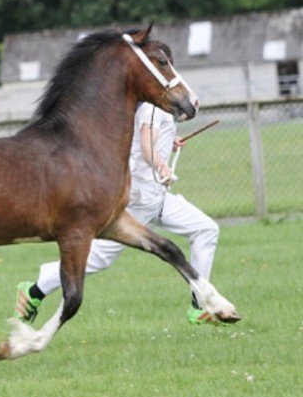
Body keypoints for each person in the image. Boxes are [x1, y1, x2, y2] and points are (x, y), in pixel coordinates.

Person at [14, 99, 220, 326]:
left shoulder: (154, 106)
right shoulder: (152, 107)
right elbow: (145, 146)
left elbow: (147, 138)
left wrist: (168, 140)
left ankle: (200, 307)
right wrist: (161, 164)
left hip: (158, 198)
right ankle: (35, 291)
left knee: (206, 230)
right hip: (138, 201)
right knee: (96, 259)